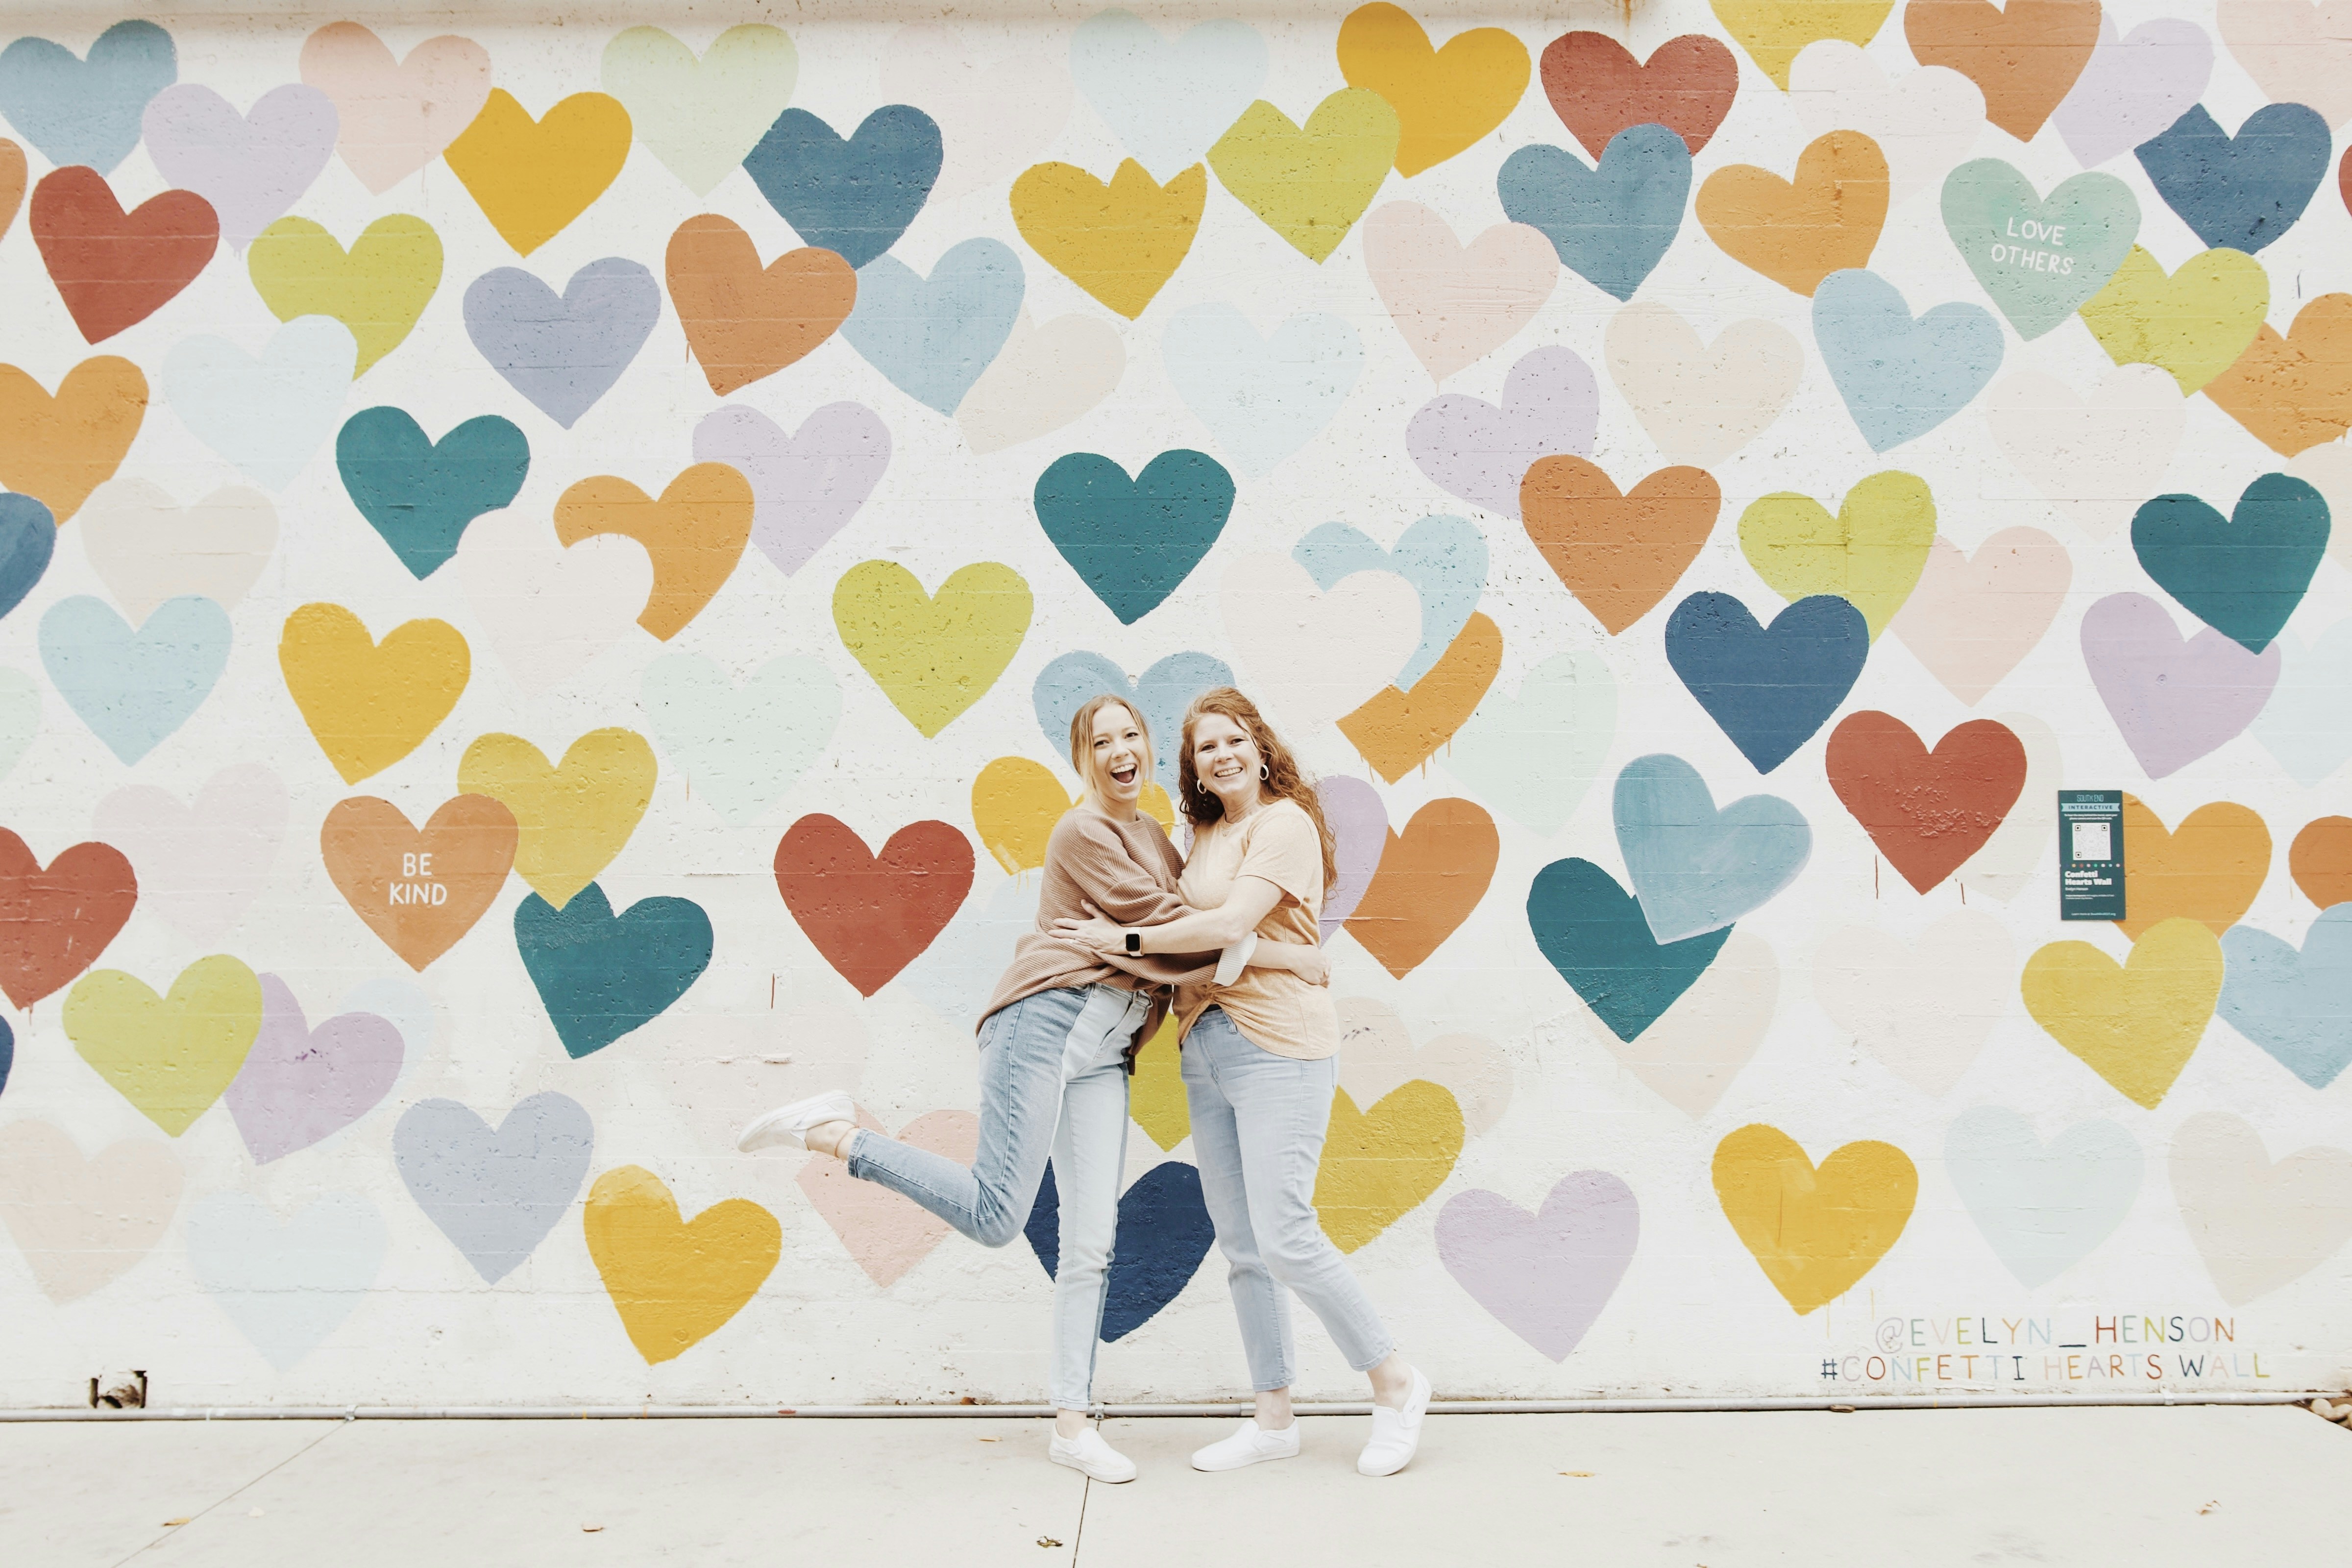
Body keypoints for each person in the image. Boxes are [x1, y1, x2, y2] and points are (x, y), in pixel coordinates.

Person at [737, 695, 1327, 1483]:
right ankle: (837, 1135)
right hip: (1045, 1025)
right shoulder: (1081, 832)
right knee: (996, 1214)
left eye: (1131, 736)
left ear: (1149, 751)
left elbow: (1194, 935)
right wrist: (1296, 960)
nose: (1120, 750)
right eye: (1101, 741)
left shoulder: (1159, 837)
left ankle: (1073, 1425)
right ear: (1083, 760)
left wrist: (1235, 943)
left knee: (1092, 1243)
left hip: (1106, 1051)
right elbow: (1176, 936)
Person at [1055, 686, 1430, 1478]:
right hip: (1205, 1042)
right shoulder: (1205, 838)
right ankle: (1273, 1416)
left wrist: (1122, 936)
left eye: (1234, 741)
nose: (1220, 756)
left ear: (1261, 750)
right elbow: (1202, 951)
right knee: (1244, 1244)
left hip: (1280, 1042)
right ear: (1191, 766)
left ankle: (1395, 1382)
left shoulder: (1283, 823)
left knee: (1287, 1231)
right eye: (1205, 747)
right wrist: (1283, 952)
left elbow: (1224, 930)